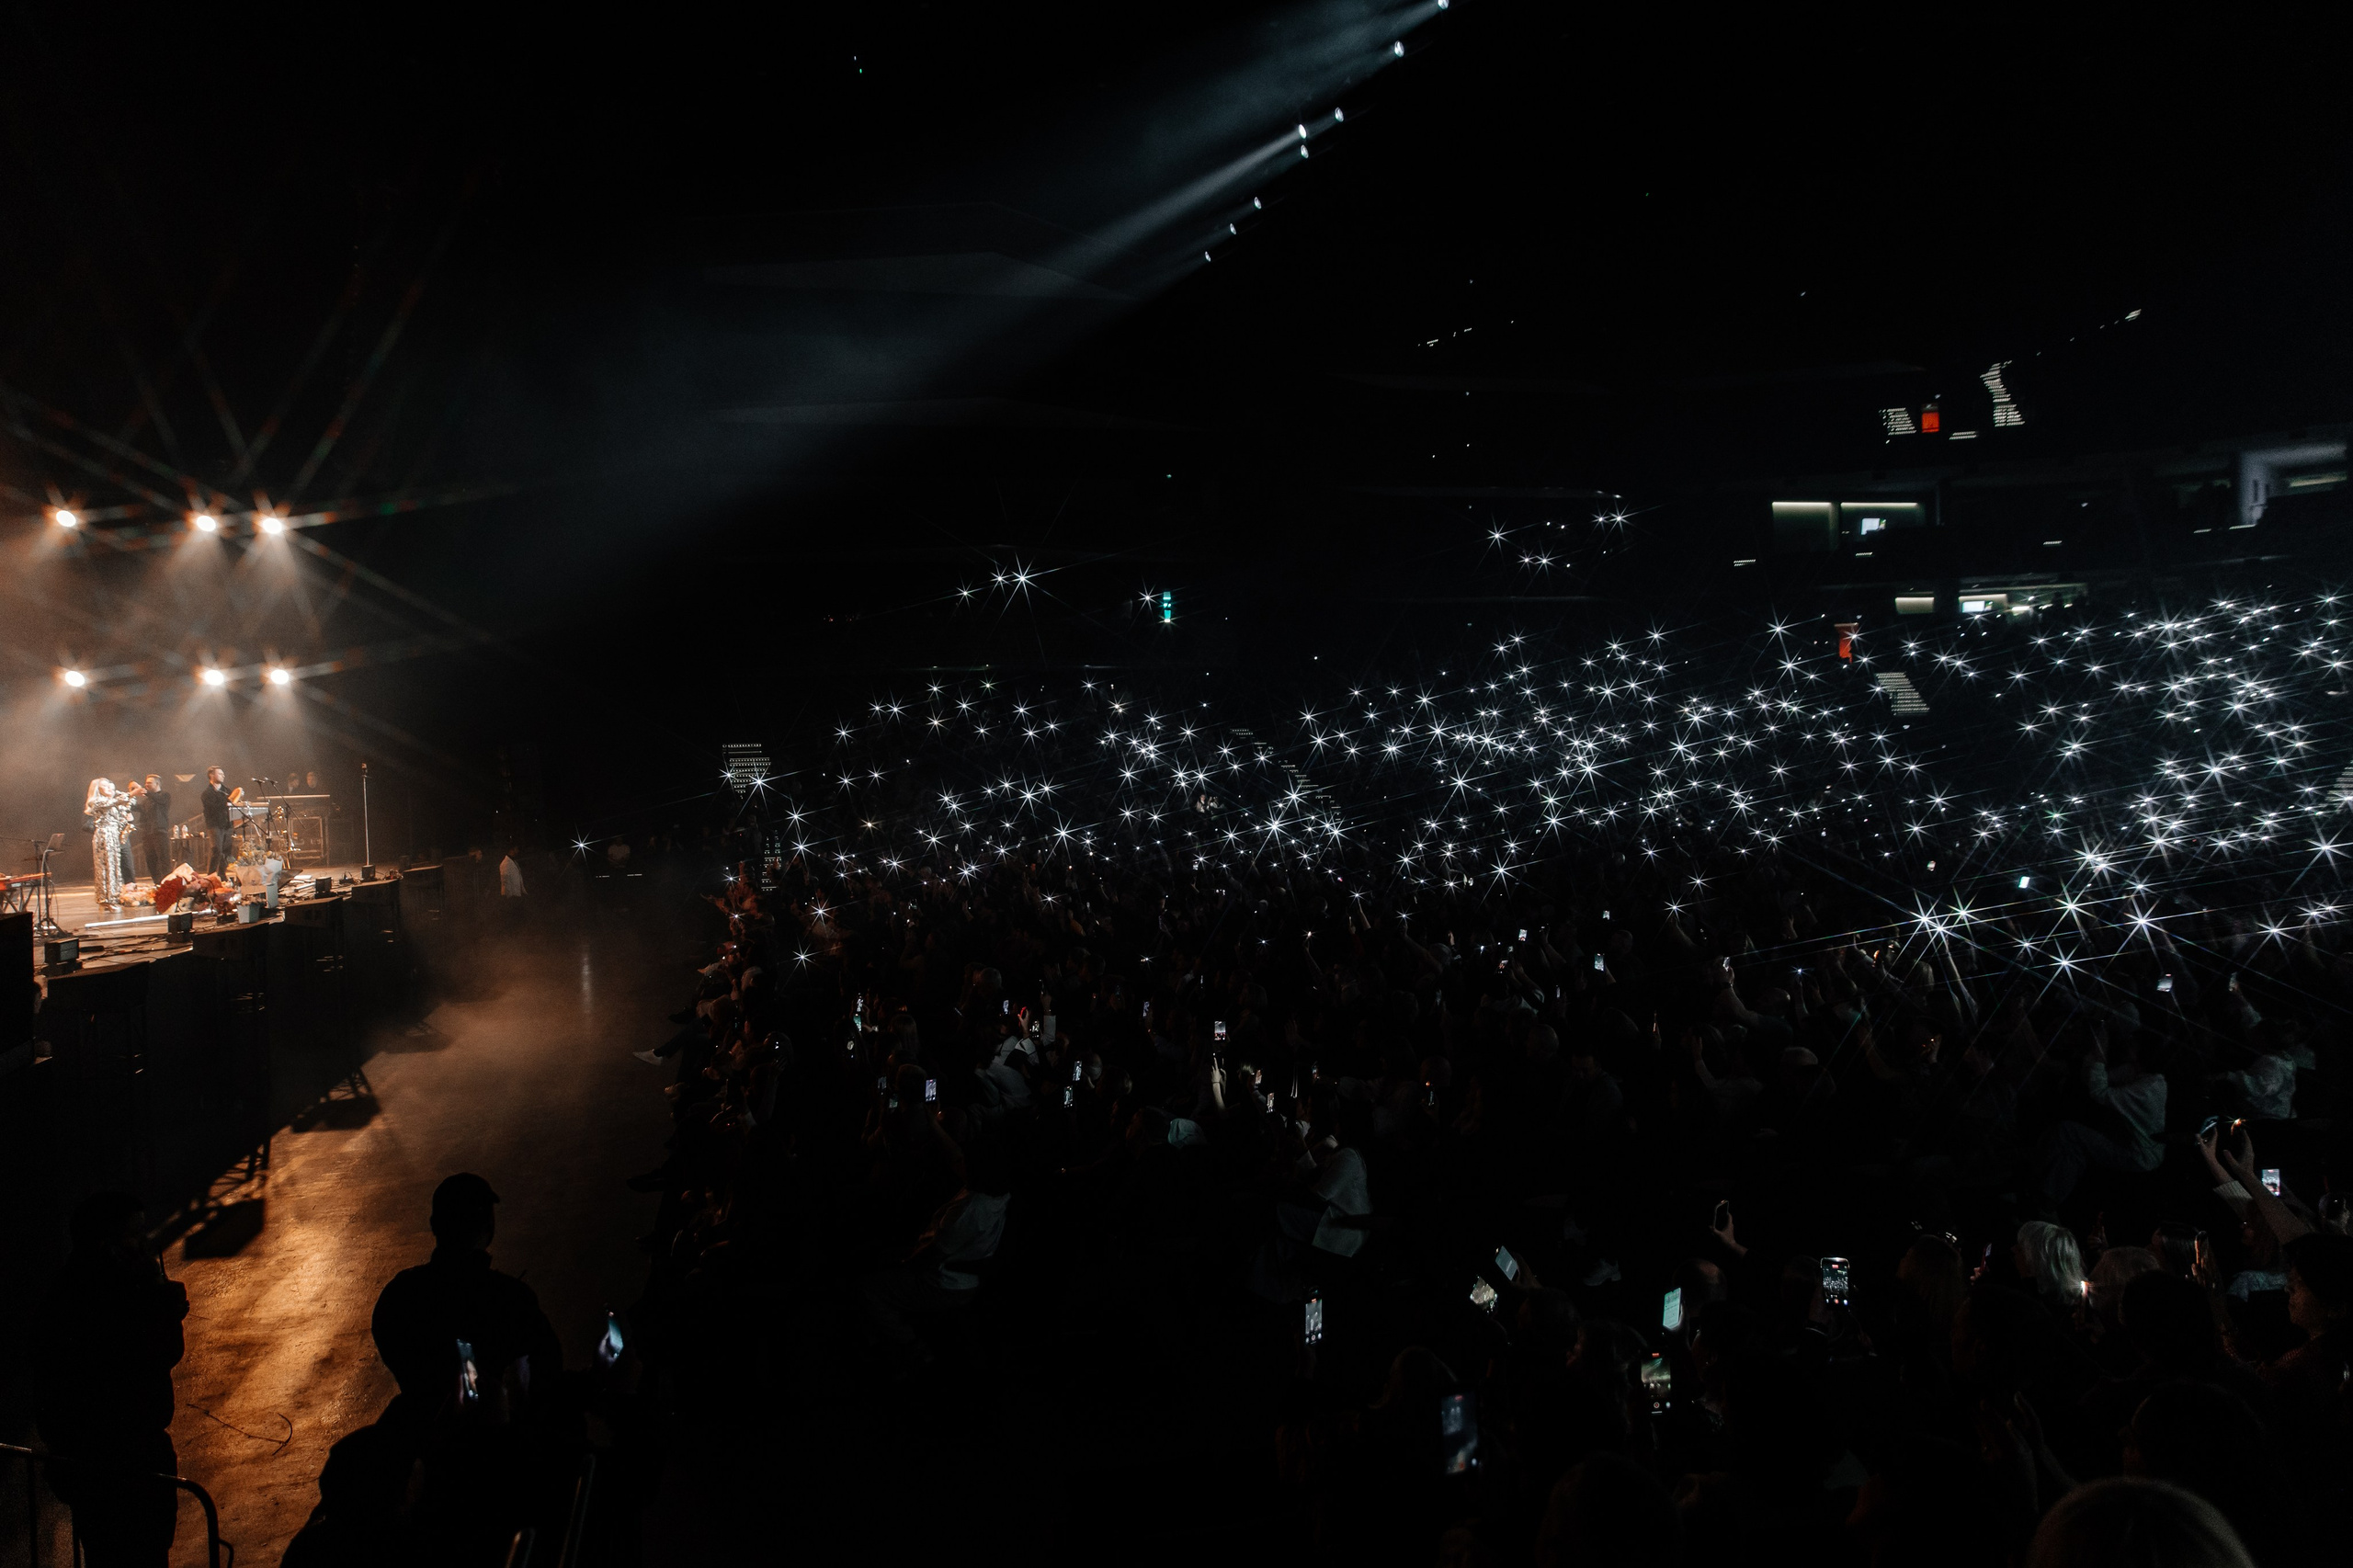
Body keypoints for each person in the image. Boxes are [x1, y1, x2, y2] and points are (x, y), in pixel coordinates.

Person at [34, 1190, 190, 1567]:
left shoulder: (68, 1289)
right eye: (133, 1234)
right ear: (105, 1242)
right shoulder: (110, 1295)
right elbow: (156, 1354)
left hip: (104, 1462)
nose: (144, 1243)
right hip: (119, 1462)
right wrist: (162, 1304)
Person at [369, 1174, 562, 1427]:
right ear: (489, 1227)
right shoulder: (512, 1299)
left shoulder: (399, 1296)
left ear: (434, 1225)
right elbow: (548, 1376)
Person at [85, 777, 131, 910]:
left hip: (113, 835)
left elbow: (120, 812)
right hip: (104, 836)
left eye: (111, 785)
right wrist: (130, 794)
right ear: (97, 789)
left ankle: (114, 896)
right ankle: (105, 899)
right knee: (105, 867)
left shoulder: (112, 803)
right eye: (105, 786)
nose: (109, 788)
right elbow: (116, 801)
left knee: (114, 866)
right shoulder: (97, 801)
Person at [136, 774, 174, 887]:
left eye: (149, 783)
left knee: (163, 858)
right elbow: (139, 808)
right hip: (147, 833)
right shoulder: (147, 801)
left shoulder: (165, 795)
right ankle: (157, 883)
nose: (146, 785)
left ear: (157, 784)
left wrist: (147, 793)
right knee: (150, 859)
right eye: (146, 783)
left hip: (160, 831)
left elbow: (160, 800)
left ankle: (167, 883)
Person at [200, 767, 233, 876]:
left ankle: (222, 875)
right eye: (220, 773)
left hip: (227, 824)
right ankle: (211, 875)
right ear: (211, 775)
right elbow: (213, 807)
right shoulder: (207, 793)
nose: (223, 775)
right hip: (214, 825)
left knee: (226, 851)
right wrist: (227, 801)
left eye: (223, 773)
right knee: (217, 849)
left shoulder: (227, 791)